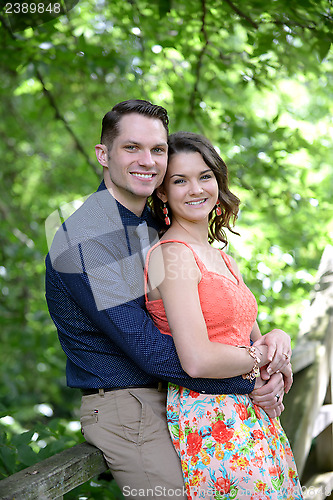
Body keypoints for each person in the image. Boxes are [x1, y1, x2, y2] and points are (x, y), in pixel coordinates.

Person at [45, 99, 292, 499]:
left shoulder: (150, 222)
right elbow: (151, 351)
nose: (147, 160)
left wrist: (265, 363)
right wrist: (254, 375)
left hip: (184, 397)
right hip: (130, 409)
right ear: (102, 154)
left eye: (157, 149)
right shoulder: (88, 237)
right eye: (132, 148)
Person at [145, 131, 303, 499]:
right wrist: (263, 357)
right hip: (212, 419)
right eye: (179, 180)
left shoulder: (222, 258)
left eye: (204, 176)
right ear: (163, 193)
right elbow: (197, 359)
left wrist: (277, 352)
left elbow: (253, 341)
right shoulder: (172, 256)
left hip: (252, 415)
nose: (196, 188)